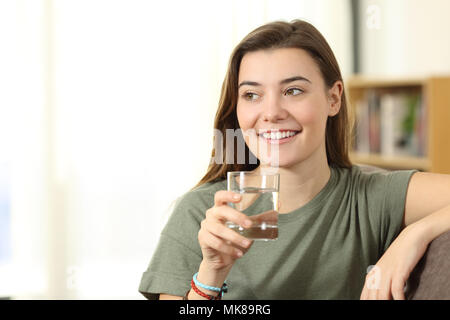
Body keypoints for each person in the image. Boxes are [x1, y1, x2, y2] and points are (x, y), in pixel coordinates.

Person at [138, 19, 450, 300]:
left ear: (333, 98)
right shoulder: (200, 212)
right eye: (252, 95)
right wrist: (211, 272)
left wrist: (414, 235)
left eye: (293, 90)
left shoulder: (372, 198)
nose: (272, 112)